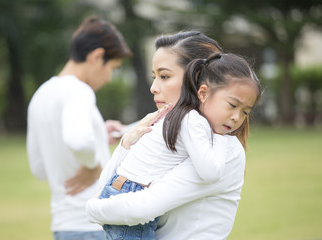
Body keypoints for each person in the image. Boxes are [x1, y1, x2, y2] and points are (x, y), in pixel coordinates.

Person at [85, 31, 262, 240]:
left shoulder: (222, 150)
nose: (153, 88)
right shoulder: (174, 134)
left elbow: (141, 207)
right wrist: (126, 143)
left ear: (195, 79)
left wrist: (90, 209)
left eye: (165, 76)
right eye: (155, 77)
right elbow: (109, 187)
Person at [26, 16, 132, 240]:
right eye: (112, 68)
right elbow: (79, 141)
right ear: (97, 56)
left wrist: (98, 134)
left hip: (64, 227)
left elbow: (39, 168)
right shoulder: (80, 91)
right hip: (93, 226)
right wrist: (92, 164)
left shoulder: (41, 95)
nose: (109, 77)